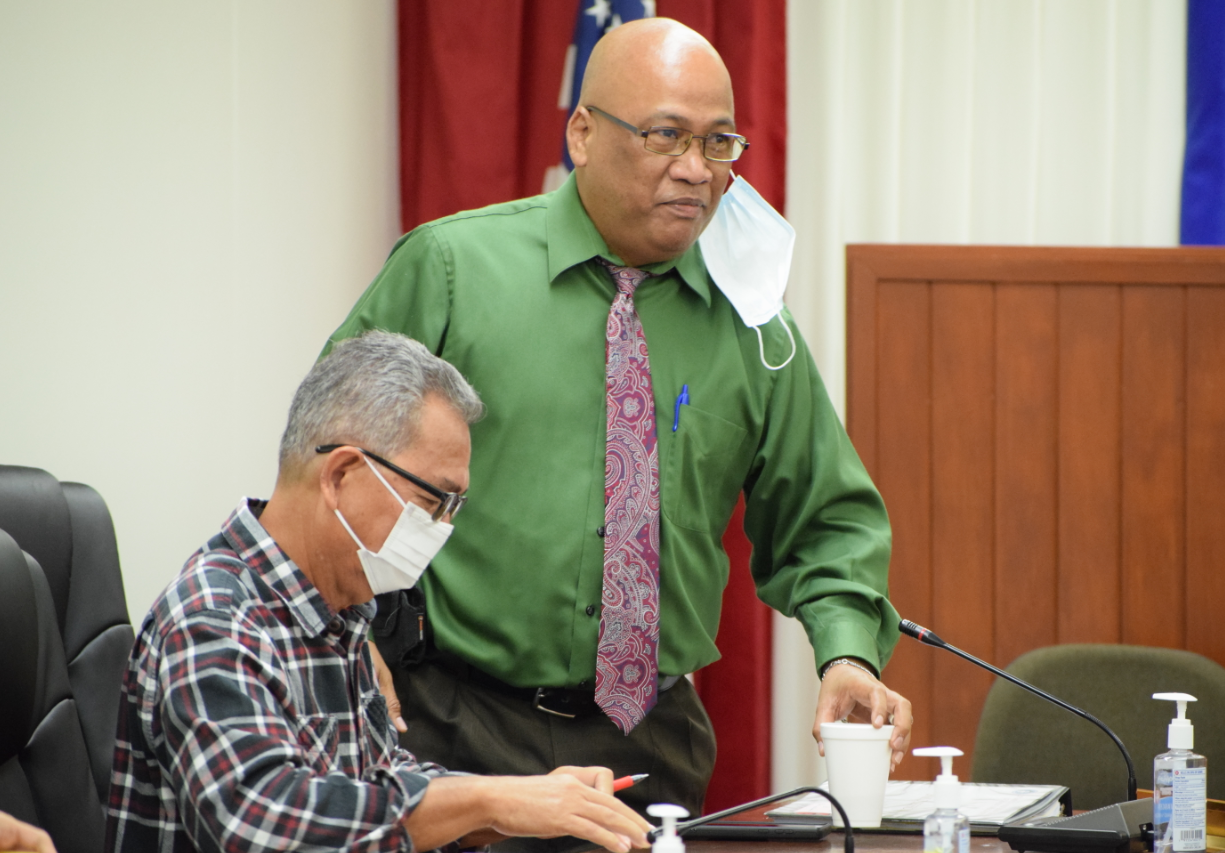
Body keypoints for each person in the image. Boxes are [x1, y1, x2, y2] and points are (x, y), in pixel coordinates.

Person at [326, 18, 912, 819]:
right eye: (665, 135)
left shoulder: (752, 323)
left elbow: (826, 517)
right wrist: (344, 633)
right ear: (583, 133)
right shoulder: (453, 270)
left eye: (717, 144)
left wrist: (845, 652)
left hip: (650, 746)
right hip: (459, 728)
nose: (693, 170)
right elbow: (330, 461)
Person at [104, 332, 650, 853]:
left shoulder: (339, 609)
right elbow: (264, 823)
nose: (441, 527)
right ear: (341, 474)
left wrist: (528, 802)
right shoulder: (214, 619)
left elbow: (381, 783)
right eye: (434, 499)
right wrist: (490, 799)